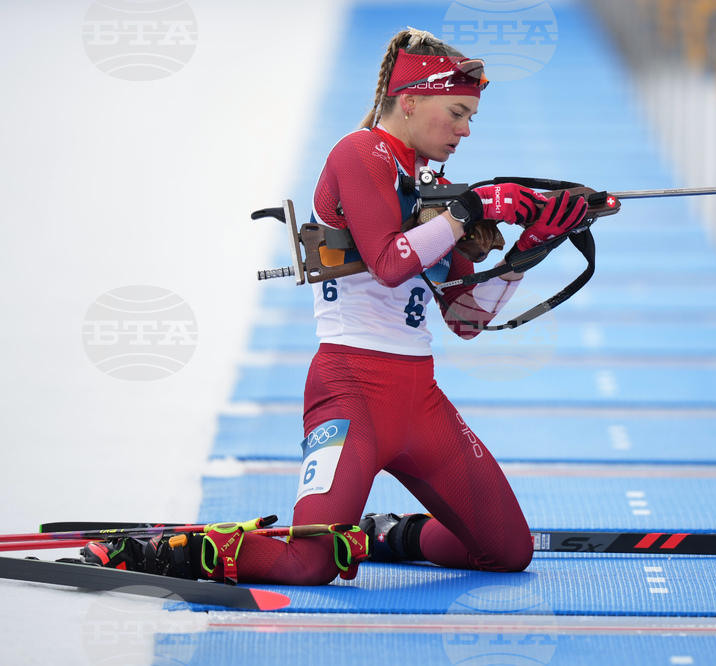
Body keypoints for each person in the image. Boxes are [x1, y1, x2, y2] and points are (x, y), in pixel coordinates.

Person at [82, 27, 588, 585]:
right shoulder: (359, 152)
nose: (466, 131)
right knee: (309, 564)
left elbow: (465, 320)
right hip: (351, 390)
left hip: (420, 400)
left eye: (472, 118)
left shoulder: (435, 186)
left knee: (507, 551)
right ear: (412, 100)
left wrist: (531, 245)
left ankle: (384, 535)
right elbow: (390, 263)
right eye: (458, 113)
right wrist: (469, 211)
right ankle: (156, 552)